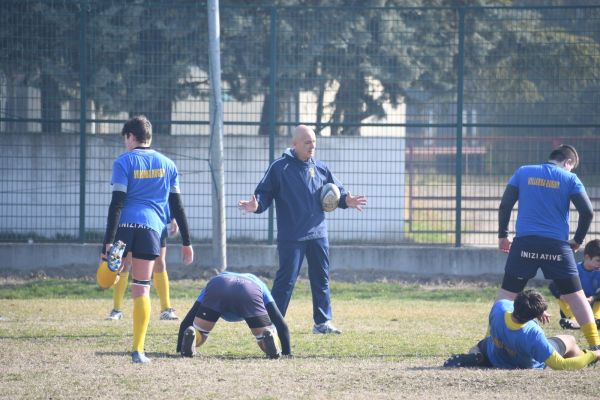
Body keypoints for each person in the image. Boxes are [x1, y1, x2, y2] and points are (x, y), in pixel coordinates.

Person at [238, 125, 367, 334]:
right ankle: (271, 324)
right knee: (285, 281)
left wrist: (346, 200)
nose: (312, 146)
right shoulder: (279, 167)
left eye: (314, 142)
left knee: (321, 278)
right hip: (292, 236)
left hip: (318, 233)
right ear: (294, 144)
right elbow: (263, 194)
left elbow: (337, 192)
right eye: (307, 142)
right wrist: (257, 206)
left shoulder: (321, 168)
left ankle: (322, 322)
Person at [101, 115, 193, 363]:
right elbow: (177, 205)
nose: (125, 143)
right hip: (152, 230)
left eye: (125, 139)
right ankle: (138, 350)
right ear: (149, 137)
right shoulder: (168, 164)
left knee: (112, 273)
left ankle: (113, 283)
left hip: (125, 229)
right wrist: (187, 241)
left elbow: (117, 202)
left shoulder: (123, 161)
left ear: (130, 137)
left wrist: (108, 241)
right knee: (142, 287)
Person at [495, 144, 599, 348]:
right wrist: (577, 240)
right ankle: (596, 346)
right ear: (568, 162)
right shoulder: (570, 178)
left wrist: (503, 235)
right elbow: (587, 212)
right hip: (556, 246)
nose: (571, 170)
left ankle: (494, 339)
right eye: (572, 167)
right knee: (576, 297)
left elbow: (505, 205)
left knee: (507, 295)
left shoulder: (523, 171)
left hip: (524, 243)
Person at [444, 290, 600, 369]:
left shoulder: (499, 308)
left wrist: (536, 310)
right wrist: (593, 353)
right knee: (571, 340)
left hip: (495, 357)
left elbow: (513, 304)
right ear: (534, 316)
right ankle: (589, 359)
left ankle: (477, 356)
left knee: (479, 345)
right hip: (524, 363)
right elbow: (560, 365)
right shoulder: (533, 333)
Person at [176, 271, 291, 359]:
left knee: (200, 331)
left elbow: (187, 320)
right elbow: (280, 322)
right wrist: (287, 352)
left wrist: (179, 349)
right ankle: (269, 336)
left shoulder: (217, 280)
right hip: (250, 289)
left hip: (219, 284)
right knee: (264, 334)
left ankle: (193, 334)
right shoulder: (260, 284)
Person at [106, 219, 181, 321]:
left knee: (160, 262)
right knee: (125, 263)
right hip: (130, 222)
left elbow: (172, 202)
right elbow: (116, 204)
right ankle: (116, 310)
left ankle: (166, 309)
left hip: (155, 221)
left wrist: (173, 218)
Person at [548, 239, 600, 330]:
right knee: (563, 298)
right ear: (587, 257)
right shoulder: (573, 270)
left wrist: (593, 298)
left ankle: (596, 320)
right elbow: (553, 285)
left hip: (591, 304)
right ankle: (572, 320)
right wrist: (561, 296)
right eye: (598, 260)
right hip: (574, 306)